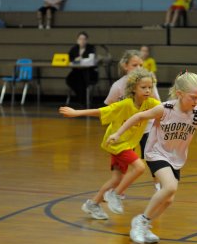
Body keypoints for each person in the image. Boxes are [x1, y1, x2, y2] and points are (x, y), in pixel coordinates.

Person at [107, 71, 197, 244]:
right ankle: (140, 221)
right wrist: (118, 133)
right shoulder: (165, 109)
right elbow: (139, 116)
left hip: (176, 158)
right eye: (193, 97)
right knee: (169, 187)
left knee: (169, 199)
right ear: (179, 94)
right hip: (156, 152)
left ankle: (146, 225)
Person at [59, 68, 160, 220]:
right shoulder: (125, 104)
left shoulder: (151, 103)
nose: (147, 90)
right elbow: (101, 111)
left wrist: (193, 111)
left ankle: (92, 204)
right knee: (139, 167)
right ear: (133, 88)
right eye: (143, 87)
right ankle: (116, 194)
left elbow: (170, 108)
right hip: (116, 143)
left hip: (128, 144)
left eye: (150, 87)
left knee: (116, 179)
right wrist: (76, 113)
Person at [105, 49, 161, 193]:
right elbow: (110, 107)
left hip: (146, 127)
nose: (138, 68)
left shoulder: (149, 84)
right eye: (134, 65)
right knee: (125, 161)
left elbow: (159, 105)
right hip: (127, 132)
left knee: (153, 157)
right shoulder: (118, 86)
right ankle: (118, 190)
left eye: (141, 65)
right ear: (125, 66)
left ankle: (158, 187)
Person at [65, 31, 98, 106]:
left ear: (86, 40)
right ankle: (81, 98)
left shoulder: (91, 48)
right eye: (80, 39)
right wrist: (74, 60)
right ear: (77, 40)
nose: (82, 41)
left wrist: (81, 60)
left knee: (81, 81)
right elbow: (69, 58)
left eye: (84, 39)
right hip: (76, 71)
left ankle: (83, 101)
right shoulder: (74, 48)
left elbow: (92, 60)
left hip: (88, 72)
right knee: (69, 80)